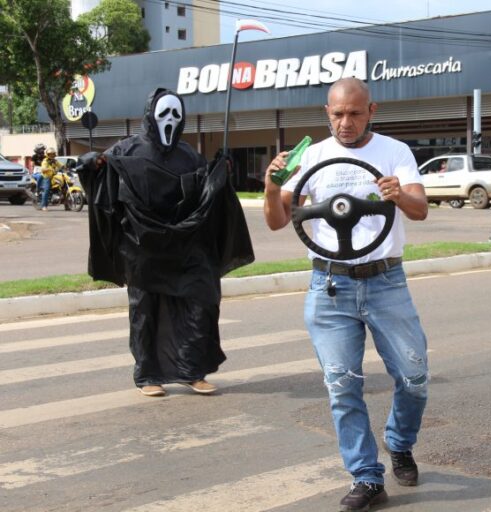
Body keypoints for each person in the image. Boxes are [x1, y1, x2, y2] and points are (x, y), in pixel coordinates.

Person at [263, 77, 429, 512]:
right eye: (338, 114)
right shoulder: (311, 156)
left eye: (355, 113)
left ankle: (399, 442)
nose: (346, 122)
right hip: (330, 284)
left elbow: (420, 208)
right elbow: (278, 219)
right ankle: (366, 477)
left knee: (414, 379)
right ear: (327, 113)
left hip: (386, 280)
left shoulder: (394, 151)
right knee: (342, 386)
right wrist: (270, 184)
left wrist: (397, 196)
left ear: (371, 110)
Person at [78, 88, 254, 398]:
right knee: (146, 311)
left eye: (176, 113)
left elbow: (205, 197)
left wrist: (219, 172)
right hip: (142, 247)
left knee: (202, 299)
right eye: (164, 113)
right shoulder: (126, 150)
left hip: (186, 247)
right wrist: (90, 167)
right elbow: (103, 185)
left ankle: (192, 371)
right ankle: (148, 375)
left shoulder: (189, 155)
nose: (170, 119)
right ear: (150, 115)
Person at [39, 147, 63, 211]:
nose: (52, 155)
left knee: (64, 186)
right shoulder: (45, 161)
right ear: (47, 154)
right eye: (50, 154)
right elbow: (43, 169)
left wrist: (65, 167)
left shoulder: (55, 161)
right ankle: (44, 206)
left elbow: (60, 165)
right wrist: (49, 169)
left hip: (54, 176)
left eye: (53, 154)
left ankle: (67, 205)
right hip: (47, 177)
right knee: (46, 190)